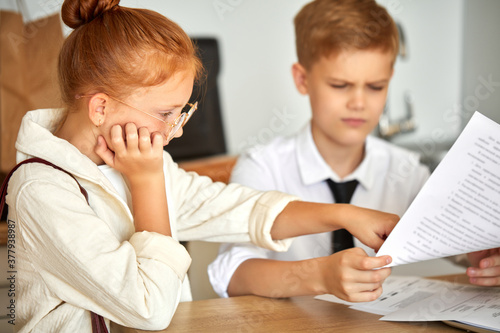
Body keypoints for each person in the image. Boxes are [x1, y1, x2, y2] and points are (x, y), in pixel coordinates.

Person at [6, 0, 400, 331]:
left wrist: (344, 214)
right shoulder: (43, 192)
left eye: (181, 113)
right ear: (101, 107)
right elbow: (150, 308)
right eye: (164, 113)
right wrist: (146, 184)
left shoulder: (131, 160)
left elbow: (237, 210)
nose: (174, 132)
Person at [208, 0, 500, 302]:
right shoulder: (263, 167)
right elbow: (231, 274)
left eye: (375, 87)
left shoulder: (408, 172)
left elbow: (455, 241)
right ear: (302, 79)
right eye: (340, 85)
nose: (359, 103)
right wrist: (319, 275)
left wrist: (483, 254)